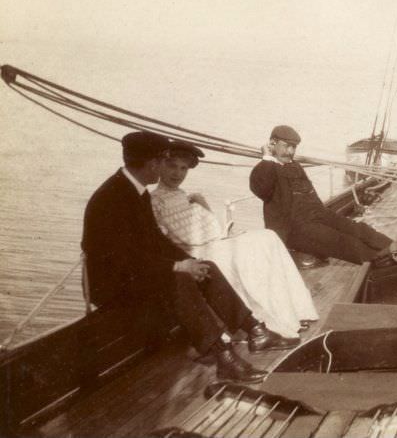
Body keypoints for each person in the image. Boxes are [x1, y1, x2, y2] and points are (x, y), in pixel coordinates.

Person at [82, 131, 295, 384]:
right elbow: (124, 259)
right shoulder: (113, 198)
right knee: (178, 280)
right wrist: (177, 267)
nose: (164, 169)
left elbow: (156, 241)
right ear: (153, 164)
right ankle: (223, 357)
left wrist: (189, 262)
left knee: (206, 267)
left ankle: (255, 331)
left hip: (133, 273)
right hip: (112, 285)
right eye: (163, 162)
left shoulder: (135, 190)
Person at [150, 140, 319, 339]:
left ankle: (294, 312)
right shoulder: (154, 201)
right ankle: (270, 322)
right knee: (246, 254)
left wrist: (201, 203)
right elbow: (170, 239)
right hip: (192, 252)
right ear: (160, 165)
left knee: (268, 238)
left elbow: (208, 227)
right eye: (172, 166)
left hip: (210, 242)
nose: (177, 173)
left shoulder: (183, 195)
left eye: (183, 168)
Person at [249, 125, 393, 265]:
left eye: (294, 147)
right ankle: (380, 259)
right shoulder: (264, 169)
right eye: (286, 146)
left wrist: (325, 216)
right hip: (292, 229)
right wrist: (267, 158)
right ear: (272, 143)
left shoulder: (294, 166)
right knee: (339, 240)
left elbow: (311, 197)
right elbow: (262, 190)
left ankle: (392, 246)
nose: (291, 151)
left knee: (353, 227)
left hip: (315, 215)